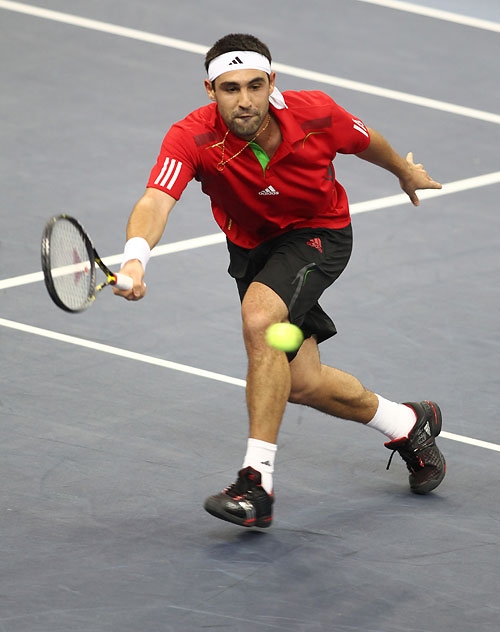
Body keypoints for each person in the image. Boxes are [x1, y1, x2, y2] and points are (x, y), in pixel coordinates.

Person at [115, 33, 446, 528]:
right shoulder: (191, 137)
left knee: (260, 319)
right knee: (302, 383)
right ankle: (408, 422)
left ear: (272, 82)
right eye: (230, 88)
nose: (245, 100)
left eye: (255, 85)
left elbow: (365, 140)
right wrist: (135, 258)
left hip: (319, 235)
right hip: (253, 250)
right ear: (210, 90)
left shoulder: (316, 114)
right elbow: (155, 200)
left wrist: (403, 170)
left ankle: (257, 483)